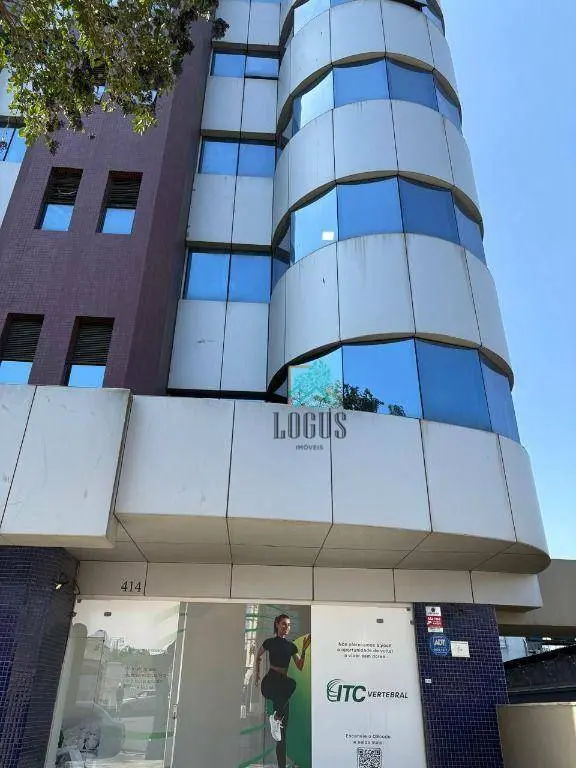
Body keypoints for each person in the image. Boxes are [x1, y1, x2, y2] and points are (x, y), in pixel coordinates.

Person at [254, 614, 311, 768]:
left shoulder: (291, 646)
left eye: (289, 625)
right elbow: (258, 655)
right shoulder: (270, 642)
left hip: (282, 689)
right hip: (271, 682)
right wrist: (256, 673)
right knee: (291, 684)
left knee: (281, 734)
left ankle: (282, 766)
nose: (287, 627)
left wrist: (304, 650)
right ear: (277, 624)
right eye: (284, 624)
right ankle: (276, 717)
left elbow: (300, 665)